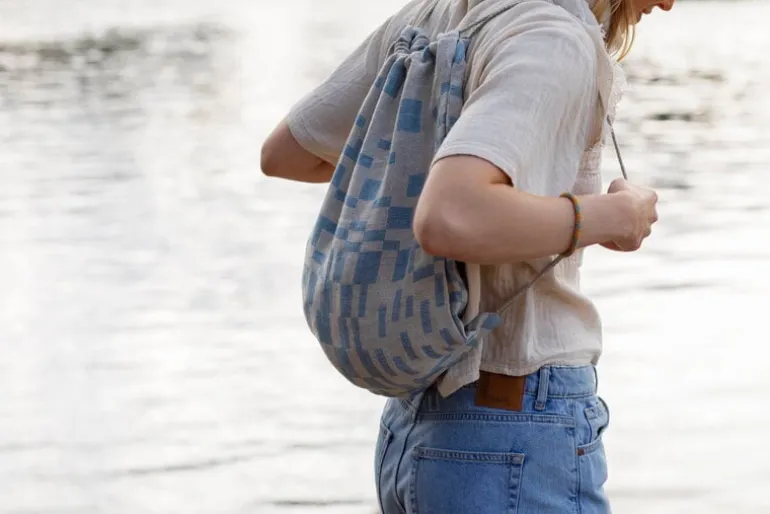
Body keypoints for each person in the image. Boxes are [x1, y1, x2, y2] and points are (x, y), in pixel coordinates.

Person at [261, 0, 671, 510]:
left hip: (414, 426)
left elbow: (289, 152)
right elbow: (450, 215)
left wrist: (417, 161)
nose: (669, 3)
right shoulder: (553, 38)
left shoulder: (439, 14)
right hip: (512, 423)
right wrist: (615, 217)